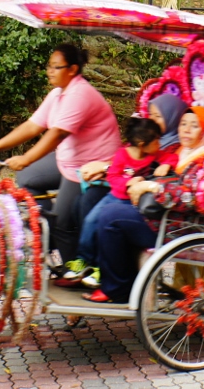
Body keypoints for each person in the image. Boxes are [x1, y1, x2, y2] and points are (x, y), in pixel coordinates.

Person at [0, 43, 121, 265]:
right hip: (67, 160)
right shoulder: (57, 94)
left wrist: (26, 158)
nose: (50, 71)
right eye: (49, 66)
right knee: (26, 179)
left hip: (88, 166)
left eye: (56, 67)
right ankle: (49, 233)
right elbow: (32, 126)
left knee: (62, 221)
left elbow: (57, 133)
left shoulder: (80, 94)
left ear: (72, 69)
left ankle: (75, 268)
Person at [83, 106, 204, 303]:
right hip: (157, 213)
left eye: (194, 126)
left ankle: (117, 288)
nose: (187, 130)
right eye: (183, 124)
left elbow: (192, 197)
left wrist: (153, 187)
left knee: (110, 216)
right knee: (102, 206)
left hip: (174, 224)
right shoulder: (178, 150)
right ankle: (113, 279)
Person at [61, 117, 179, 288]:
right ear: (141, 144)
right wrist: (128, 183)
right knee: (90, 221)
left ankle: (100, 268)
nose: (159, 144)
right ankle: (83, 259)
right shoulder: (122, 155)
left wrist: (166, 165)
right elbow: (113, 177)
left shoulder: (155, 155)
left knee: (106, 231)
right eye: (156, 141)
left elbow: (172, 157)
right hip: (114, 197)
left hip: (132, 204)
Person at [75, 93, 188, 226]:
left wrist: (106, 168)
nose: (153, 120)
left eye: (158, 116)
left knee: (91, 200)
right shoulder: (143, 137)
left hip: (139, 194)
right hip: (121, 184)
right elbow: (124, 160)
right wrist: (106, 169)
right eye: (151, 114)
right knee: (79, 201)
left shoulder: (173, 146)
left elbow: (162, 165)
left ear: (172, 118)